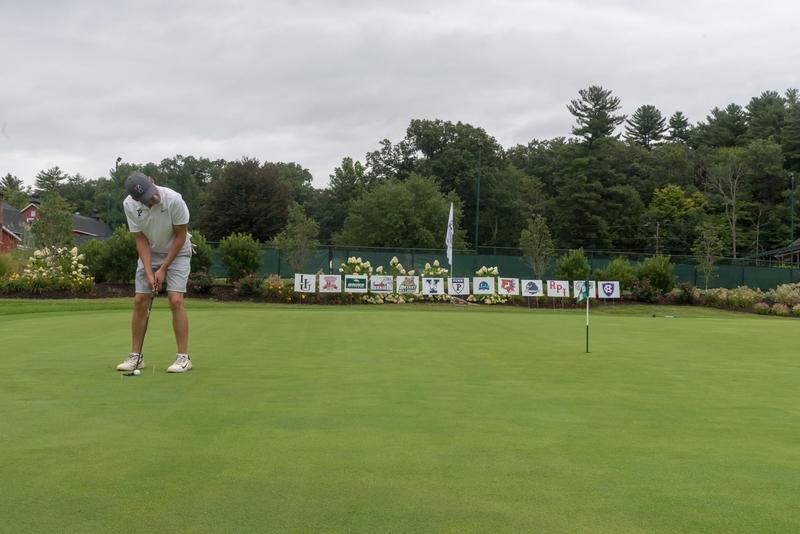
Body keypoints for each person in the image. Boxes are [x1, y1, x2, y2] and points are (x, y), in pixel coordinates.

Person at [116, 171, 193, 373]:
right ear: (136, 199)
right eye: (146, 199)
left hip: (178, 250)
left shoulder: (174, 200)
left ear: (152, 182)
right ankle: (136, 356)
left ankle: (183, 358)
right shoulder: (129, 205)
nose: (153, 199)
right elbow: (140, 240)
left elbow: (181, 236)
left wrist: (163, 268)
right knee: (140, 300)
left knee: (175, 300)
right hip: (151, 250)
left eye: (151, 193)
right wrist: (150, 273)